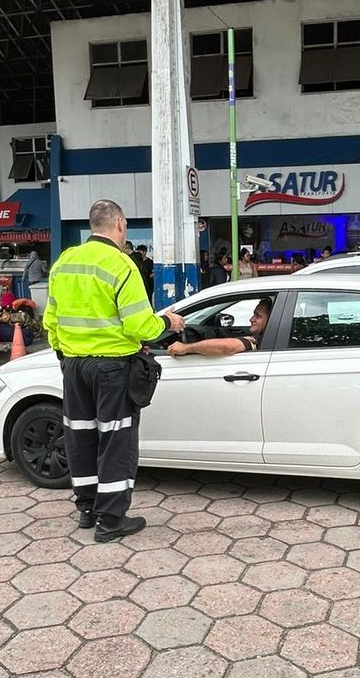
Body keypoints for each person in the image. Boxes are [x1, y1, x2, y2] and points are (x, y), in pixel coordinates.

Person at [43, 199, 185, 542]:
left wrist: (66, 356)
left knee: (80, 437)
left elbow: (50, 321)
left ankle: (87, 510)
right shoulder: (121, 265)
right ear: (119, 224)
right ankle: (110, 520)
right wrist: (168, 322)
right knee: (115, 441)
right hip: (112, 370)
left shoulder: (65, 262)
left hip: (74, 366)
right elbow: (139, 326)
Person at [168, 298, 271, 357]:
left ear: (271, 318)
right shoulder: (269, 337)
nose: (251, 319)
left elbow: (228, 346)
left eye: (258, 316)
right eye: (254, 314)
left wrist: (186, 348)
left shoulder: (258, 340)